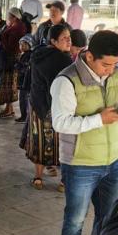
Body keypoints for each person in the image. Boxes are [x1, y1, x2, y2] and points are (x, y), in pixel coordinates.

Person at [50, 30, 118, 235]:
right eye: (105, 64)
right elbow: (60, 123)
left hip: (111, 161)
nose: (110, 70)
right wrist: (100, 119)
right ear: (88, 56)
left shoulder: (116, 75)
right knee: (75, 219)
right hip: (80, 163)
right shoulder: (67, 81)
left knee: (106, 218)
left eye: (115, 64)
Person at [22, 25, 74, 190]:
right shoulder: (64, 60)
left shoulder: (38, 53)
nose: (68, 41)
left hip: (37, 104)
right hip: (56, 107)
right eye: (64, 38)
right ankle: (63, 181)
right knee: (64, 143)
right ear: (53, 41)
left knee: (39, 140)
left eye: (69, 37)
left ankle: (38, 177)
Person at [0, 7, 26, 119]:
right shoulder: (15, 26)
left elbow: (11, 46)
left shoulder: (17, 28)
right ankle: (9, 108)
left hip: (11, 59)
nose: (7, 17)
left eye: (9, 15)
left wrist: (2, 39)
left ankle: (9, 109)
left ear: (14, 17)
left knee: (9, 84)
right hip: (11, 58)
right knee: (9, 84)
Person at [15, 35, 35, 123]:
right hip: (24, 82)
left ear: (29, 45)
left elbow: (24, 68)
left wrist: (17, 66)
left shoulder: (29, 55)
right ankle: (25, 116)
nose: (21, 47)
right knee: (23, 99)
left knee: (24, 100)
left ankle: (25, 116)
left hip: (25, 82)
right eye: (20, 45)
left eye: (24, 45)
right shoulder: (25, 55)